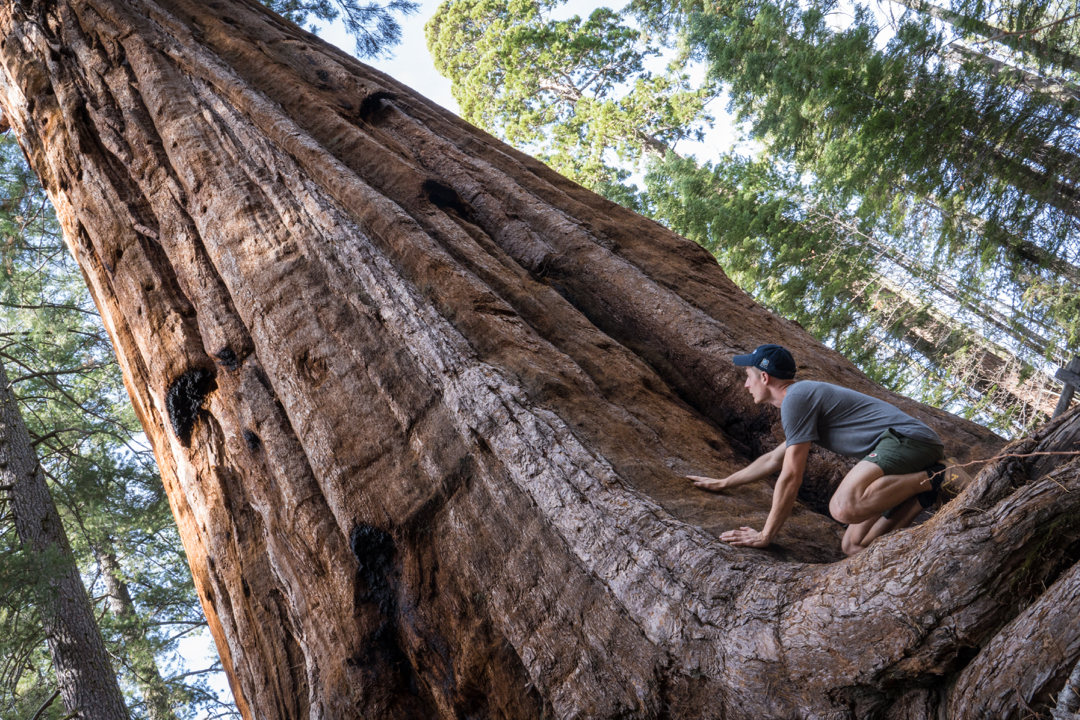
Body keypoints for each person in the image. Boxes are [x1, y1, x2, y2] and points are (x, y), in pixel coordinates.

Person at [688, 344, 949, 555]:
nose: (746, 385)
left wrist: (765, 535)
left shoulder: (796, 398)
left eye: (748, 378)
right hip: (902, 453)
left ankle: (942, 476)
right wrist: (724, 483)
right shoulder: (801, 403)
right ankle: (923, 496)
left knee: (843, 508)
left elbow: (791, 476)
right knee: (854, 547)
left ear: (764, 377)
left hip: (909, 440)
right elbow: (773, 460)